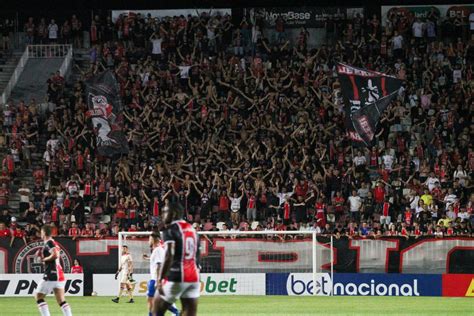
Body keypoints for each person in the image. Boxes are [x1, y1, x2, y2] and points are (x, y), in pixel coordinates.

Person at [153, 202, 200, 316]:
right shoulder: (192, 230)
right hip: (194, 277)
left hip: (176, 276)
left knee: (157, 310)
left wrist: (160, 279)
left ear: (173, 214)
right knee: (189, 312)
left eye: (165, 212)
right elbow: (197, 254)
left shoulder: (170, 229)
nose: (162, 215)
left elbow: (169, 254)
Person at [35, 224, 73, 316]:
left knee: (38, 296)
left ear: (43, 233)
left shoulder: (49, 242)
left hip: (52, 273)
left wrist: (44, 259)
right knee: (61, 300)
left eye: (41, 232)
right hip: (59, 274)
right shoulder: (53, 242)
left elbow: (55, 255)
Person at [143, 231, 180, 316]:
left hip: (156, 279)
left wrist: (158, 281)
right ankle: (175, 312)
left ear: (153, 239)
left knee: (154, 300)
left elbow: (159, 265)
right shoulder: (158, 250)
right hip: (157, 279)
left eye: (149, 239)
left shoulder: (158, 250)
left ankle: (176, 312)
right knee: (153, 300)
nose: (148, 241)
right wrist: (148, 258)